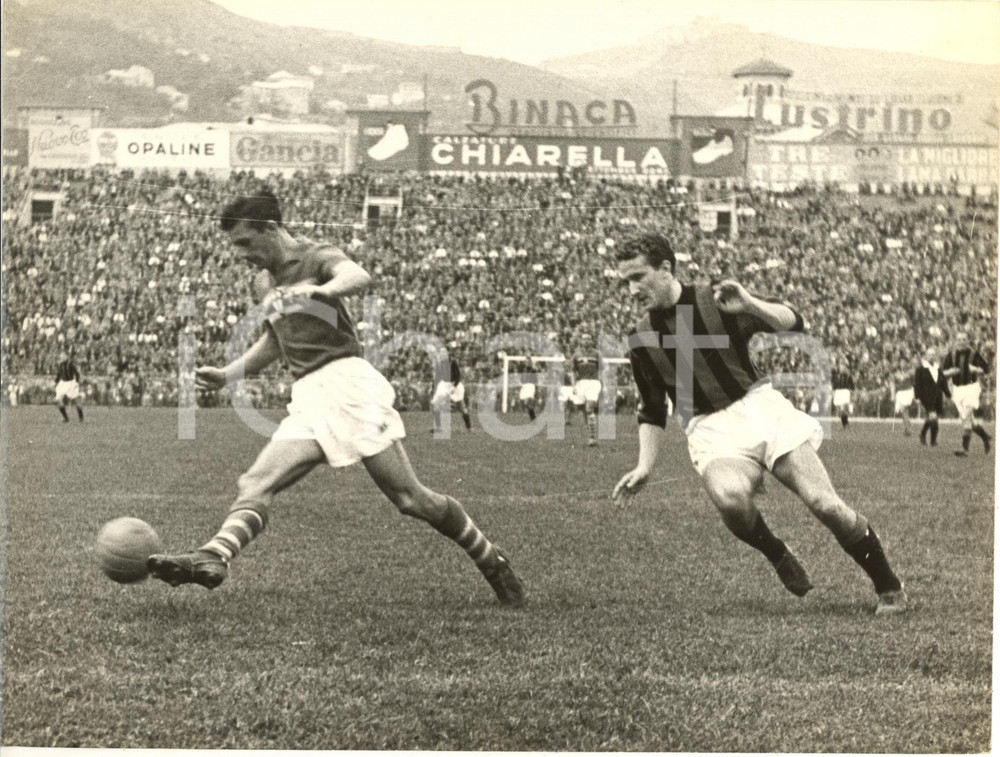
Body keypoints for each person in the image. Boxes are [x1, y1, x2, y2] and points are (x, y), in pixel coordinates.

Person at [147, 191, 525, 608]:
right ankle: (214, 556)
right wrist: (227, 374)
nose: (240, 254)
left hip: (348, 384)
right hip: (308, 394)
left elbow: (356, 276)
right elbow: (274, 340)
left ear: (270, 228)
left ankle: (491, 561)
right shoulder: (263, 283)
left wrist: (321, 292)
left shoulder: (315, 256)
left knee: (411, 499)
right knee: (255, 482)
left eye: (244, 242)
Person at [611, 234, 907, 616]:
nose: (632, 289)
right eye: (626, 281)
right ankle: (776, 552)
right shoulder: (640, 339)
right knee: (730, 499)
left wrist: (751, 304)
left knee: (825, 504)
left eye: (638, 277)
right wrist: (644, 466)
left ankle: (888, 585)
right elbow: (652, 409)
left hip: (761, 409)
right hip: (710, 430)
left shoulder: (715, 298)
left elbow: (794, 322)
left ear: (666, 268)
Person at [941, 330, 992, 457]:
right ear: (956, 341)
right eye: (959, 339)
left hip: (971, 388)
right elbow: (943, 373)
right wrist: (950, 372)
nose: (962, 342)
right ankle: (985, 437)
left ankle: (965, 450)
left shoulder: (974, 353)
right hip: (957, 390)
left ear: (968, 340)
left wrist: (976, 369)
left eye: (964, 339)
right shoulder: (952, 354)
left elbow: (986, 369)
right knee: (970, 422)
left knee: (966, 418)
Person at [913, 345, 948, 447]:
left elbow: (943, 383)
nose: (932, 356)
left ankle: (927, 437)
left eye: (933, 355)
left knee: (933, 419)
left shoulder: (938, 368)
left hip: (937, 397)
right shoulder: (920, 369)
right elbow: (917, 384)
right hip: (927, 397)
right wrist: (917, 397)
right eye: (930, 355)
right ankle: (929, 438)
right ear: (926, 356)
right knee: (933, 417)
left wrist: (948, 394)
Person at [431, 358, 472, 433]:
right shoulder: (440, 363)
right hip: (444, 385)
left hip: (454, 385)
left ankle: (469, 427)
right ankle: (438, 427)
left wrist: (454, 386)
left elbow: (458, 376)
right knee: (436, 405)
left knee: (462, 407)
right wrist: (433, 387)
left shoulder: (453, 362)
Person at [572, 353, 601, 447]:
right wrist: (574, 385)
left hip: (593, 382)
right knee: (582, 408)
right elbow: (573, 371)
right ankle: (590, 432)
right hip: (581, 384)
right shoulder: (576, 355)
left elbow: (603, 369)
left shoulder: (596, 354)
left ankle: (592, 438)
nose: (586, 344)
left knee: (589, 409)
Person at [54, 351, 84, 423]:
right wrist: (55, 382)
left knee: (76, 401)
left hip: (70, 383)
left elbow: (76, 373)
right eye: (61, 356)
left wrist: (77, 382)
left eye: (64, 356)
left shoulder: (70, 364)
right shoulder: (61, 365)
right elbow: (59, 375)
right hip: (63, 383)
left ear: (66, 356)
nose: (62, 357)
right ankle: (66, 418)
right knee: (58, 400)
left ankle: (81, 416)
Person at [889, 365, 915, 437]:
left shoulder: (908, 374)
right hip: (902, 393)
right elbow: (892, 386)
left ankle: (908, 429)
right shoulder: (894, 377)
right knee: (904, 411)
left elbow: (913, 381)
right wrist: (893, 395)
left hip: (907, 392)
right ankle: (907, 427)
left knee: (904, 411)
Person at [830, 359, 855, 429]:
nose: (841, 368)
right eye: (840, 366)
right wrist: (834, 391)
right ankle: (845, 424)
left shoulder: (848, 376)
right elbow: (835, 384)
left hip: (845, 392)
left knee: (843, 409)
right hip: (839, 392)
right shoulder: (838, 375)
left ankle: (845, 424)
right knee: (840, 410)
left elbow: (852, 386)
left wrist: (851, 393)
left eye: (842, 366)